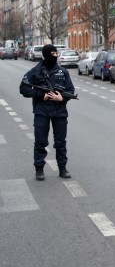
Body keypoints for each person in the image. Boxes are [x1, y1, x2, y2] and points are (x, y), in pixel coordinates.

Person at [19, 44, 76, 181]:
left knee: (60, 142)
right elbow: (23, 89)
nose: (54, 57)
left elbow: (70, 90)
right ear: (46, 55)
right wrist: (41, 95)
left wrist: (61, 98)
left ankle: (62, 168)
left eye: (56, 54)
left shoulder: (63, 71)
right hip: (42, 112)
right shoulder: (36, 71)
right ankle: (39, 169)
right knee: (40, 142)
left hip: (59, 112)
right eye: (52, 54)